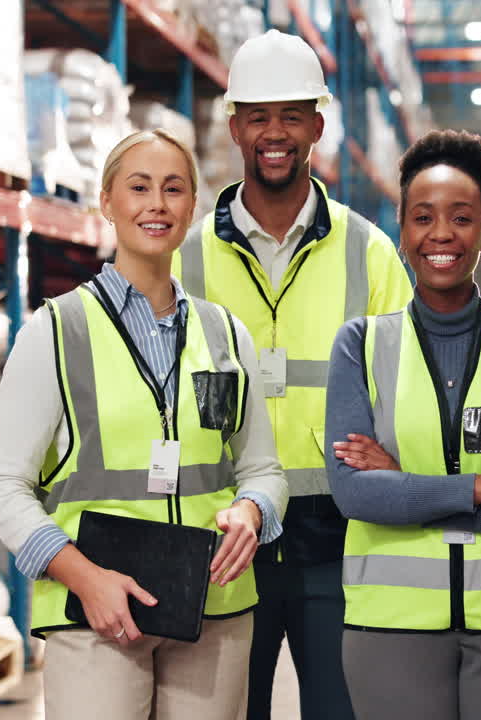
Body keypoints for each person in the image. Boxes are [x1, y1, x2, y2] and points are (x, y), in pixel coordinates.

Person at [0, 129, 288, 720]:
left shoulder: (227, 336)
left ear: (192, 206)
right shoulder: (56, 332)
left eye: (174, 189)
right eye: (139, 187)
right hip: (95, 612)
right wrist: (85, 578)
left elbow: (263, 469)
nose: (157, 204)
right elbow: (1, 486)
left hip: (213, 605)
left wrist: (252, 511)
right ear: (107, 202)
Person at [173, 29, 412, 720]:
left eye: (291, 116)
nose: (274, 134)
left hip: (337, 534)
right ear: (234, 126)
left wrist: (397, 462)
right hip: (223, 532)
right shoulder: (187, 257)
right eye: (258, 117)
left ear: (317, 125)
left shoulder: (369, 252)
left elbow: (409, 385)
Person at [325, 129, 481, 720]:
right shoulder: (359, 346)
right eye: (423, 217)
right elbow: (356, 495)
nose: (441, 234)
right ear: (402, 231)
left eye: (462, 218)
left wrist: (404, 487)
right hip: (392, 625)